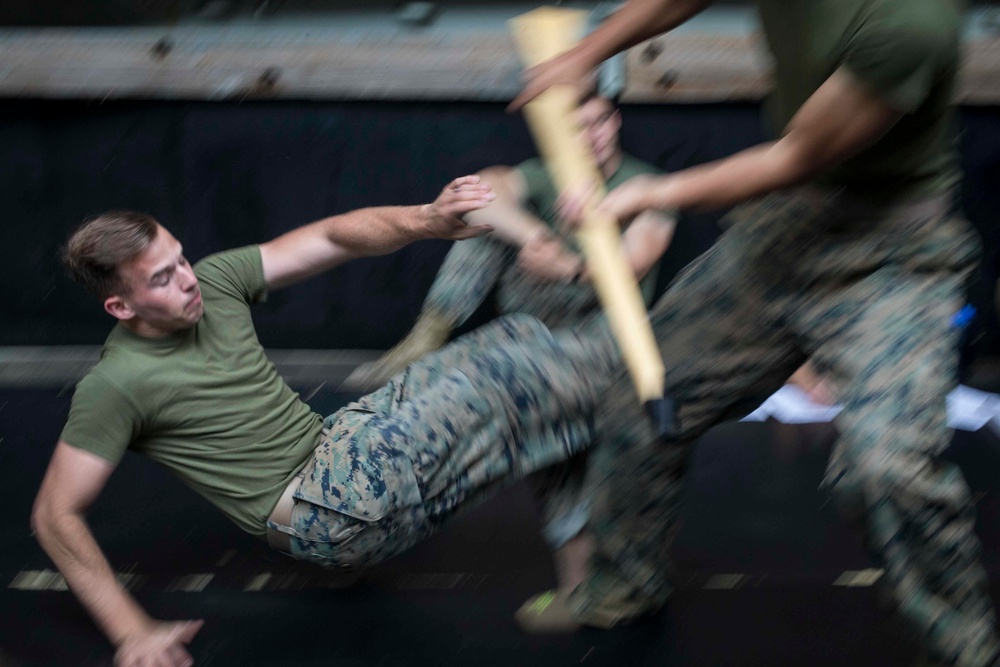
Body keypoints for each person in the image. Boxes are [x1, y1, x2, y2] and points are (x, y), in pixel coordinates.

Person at [511, 0, 1000, 664]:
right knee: (643, 390)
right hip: (785, 231)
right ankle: (616, 591)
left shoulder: (914, 17)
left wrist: (649, 194)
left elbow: (795, 155)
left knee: (888, 467)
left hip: (892, 253)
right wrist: (585, 54)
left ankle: (965, 647)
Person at [29, 177, 625, 667]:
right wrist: (131, 632)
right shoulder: (115, 385)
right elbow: (55, 514)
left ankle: (585, 586)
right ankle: (656, 359)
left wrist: (428, 219)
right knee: (500, 379)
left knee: (520, 345)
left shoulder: (214, 282)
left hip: (346, 448)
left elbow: (332, 237)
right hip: (318, 513)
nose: (187, 279)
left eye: (180, 258)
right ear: (120, 306)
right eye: (163, 278)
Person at [345, 92, 676, 596]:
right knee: (484, 224)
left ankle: (583, 588)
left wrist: (565, 263)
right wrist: (533, 238)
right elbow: (484, 188)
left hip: (602, 344)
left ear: (616, 121)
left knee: (543, 439)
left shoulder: (646, 184)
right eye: (579, 127)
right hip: (535, 331)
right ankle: (428, 333)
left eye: (601, 122)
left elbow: (633, 266)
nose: (594, 135)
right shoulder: (547, 174)